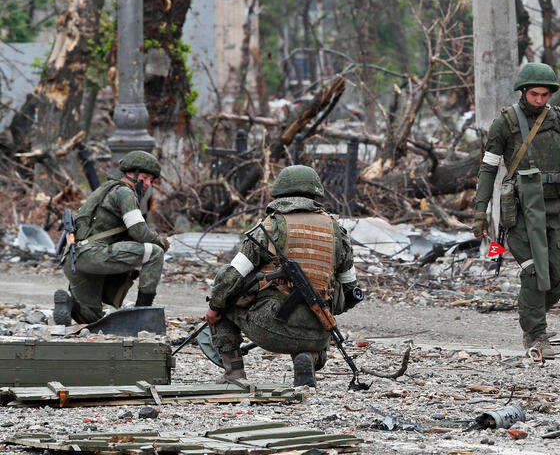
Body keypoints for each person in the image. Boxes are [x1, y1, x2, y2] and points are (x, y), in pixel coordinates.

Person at [472, 62, 560, 355]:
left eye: (545, 95)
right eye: (534, 94)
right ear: (524, 91)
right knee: (533, 273)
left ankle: (530, 312)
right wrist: (481, 211)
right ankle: (535, 334)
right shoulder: (505, 122)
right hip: (521, 213)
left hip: (556, 209)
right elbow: (488, 169)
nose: (540, 100)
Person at [204, 165, 359, 387]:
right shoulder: (337, 231)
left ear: (279, 194)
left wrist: (214, 308)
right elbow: (351, 291)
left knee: (223, 302)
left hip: (271, 330)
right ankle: (310, 357)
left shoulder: (270, 227)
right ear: (316, 194)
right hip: (318, 334)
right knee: (317, 328)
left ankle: (234, 373)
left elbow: (230, 276)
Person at [53, 150, 168, 326]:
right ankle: (142, 315)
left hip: (73, 259)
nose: (147, 184)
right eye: (145, 177)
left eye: (151, 180)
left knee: (92, 317)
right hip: (93, 255)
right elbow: (139, 232)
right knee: (154, 253)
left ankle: (68, 304)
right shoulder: (125, 193)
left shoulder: (104, 190)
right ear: (131, 173)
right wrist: (162, 241)